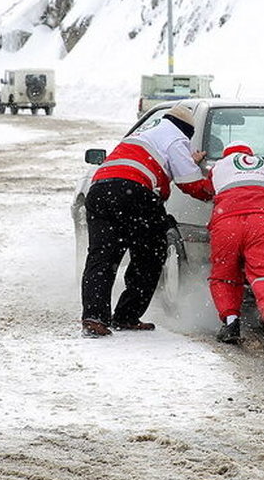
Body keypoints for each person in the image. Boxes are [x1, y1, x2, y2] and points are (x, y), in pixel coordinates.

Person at [80, 102, 213, 337]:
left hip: (100, 190)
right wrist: (217, 193)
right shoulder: (177, 140)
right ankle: (126, 316)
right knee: (150, 255)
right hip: (135, 193)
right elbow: (190, 183)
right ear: (187, 131)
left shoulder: (145, 134)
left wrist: (186, 160)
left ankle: (94, 318)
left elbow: (157, 159)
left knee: (102, 257)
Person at [206, 141, 264, 355]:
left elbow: (205, 189)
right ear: (250, 154)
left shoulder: (218, 167)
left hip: (226, 221)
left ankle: (231, 322)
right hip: (262, 220)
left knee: (225, 274)